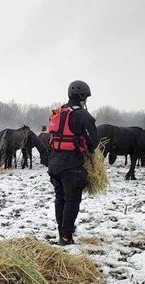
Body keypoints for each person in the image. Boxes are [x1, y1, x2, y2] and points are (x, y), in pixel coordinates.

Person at [47, 80, 98, 245]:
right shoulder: (82, 114)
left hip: (54, 164)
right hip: (71, 166)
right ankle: (66, 237)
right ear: (82, 96)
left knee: (59, 198)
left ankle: (62, 231)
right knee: (72, 200)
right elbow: (94, 142)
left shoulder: (59, 112)